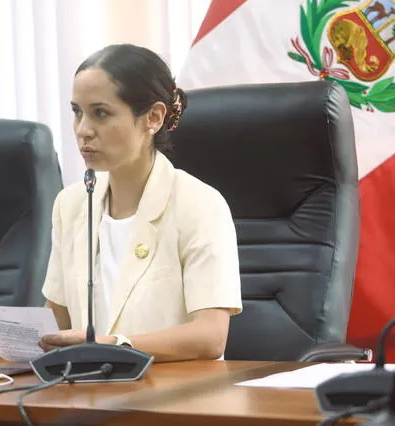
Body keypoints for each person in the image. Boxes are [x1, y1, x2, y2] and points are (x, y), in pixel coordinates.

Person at [38, 44, 243, 362]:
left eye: (100, 113)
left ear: (153, 117)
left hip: (175, 396)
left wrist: (113, 344)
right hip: (86, 393)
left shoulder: (200, 204)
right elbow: (57, 324)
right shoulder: (71, 203)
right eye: (77, 112)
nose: (83, 130)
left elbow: (210, 337)